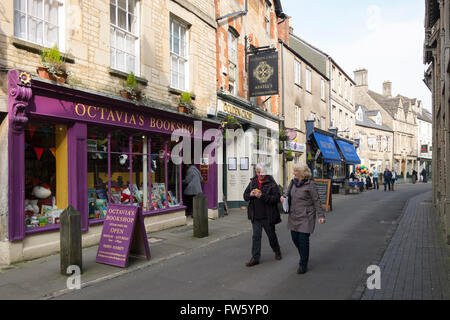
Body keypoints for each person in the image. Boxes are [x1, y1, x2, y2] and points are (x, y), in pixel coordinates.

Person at [281, 163, 326, 274]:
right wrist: (283, 197)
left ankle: (303, 264)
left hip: (306, 216)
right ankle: (304, 255)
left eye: (295, 171)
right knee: (295, 238)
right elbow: (287, 193)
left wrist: (321, 215)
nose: (293, 173)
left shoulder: (310, 185)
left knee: (303, 240)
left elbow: (316, 200)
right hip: (294, 215)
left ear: (301, 173)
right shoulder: (293, 183)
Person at [243, 163, 282, 267]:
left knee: (271, 236)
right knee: (256, 237)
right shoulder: (252, 182)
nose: (260, 174)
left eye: (262, 172)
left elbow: (276, 198)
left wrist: (262, 196)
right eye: (258, 172)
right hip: (255, 216)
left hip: (268, 216)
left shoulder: (271, 183)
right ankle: (255, 258)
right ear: (256, 172)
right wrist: (250, 195)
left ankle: (277, 250)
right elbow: (245, 196)